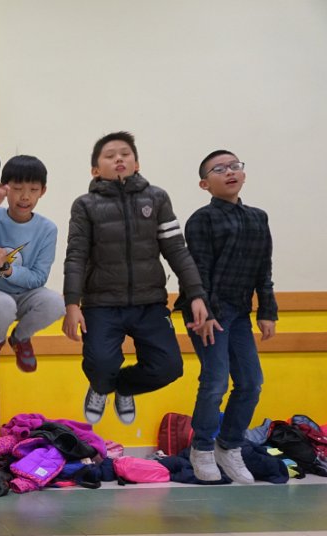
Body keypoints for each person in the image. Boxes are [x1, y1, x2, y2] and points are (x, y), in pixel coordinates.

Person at [63, 131, 210, 426]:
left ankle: (125, 388)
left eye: (125, 154)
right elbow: (76, 255)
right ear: (95, 170)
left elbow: (176, 249)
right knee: (100, 368)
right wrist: (72, 304)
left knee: (169, 367)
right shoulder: (85, 205)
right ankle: (101, 387)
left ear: (137, 163)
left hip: (149, 302)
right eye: (110, 155)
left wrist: (196, 294)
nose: (119, 158)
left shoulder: (156, 198)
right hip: (101, 304)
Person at [176, 150, 276, 484]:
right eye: (219, 169)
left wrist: (267, 311)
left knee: (251, 382)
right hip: (206, 312)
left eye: (235, 166)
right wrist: (205, 313)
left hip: (240, 312)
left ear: (243, 174)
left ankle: (229, 446)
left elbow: (264, 270)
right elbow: (198, 272)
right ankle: (202, 447)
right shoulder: (202, 220)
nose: (229, 172)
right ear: (205, 184)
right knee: (216, 380)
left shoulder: (258, 218)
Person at [0, 155, 64, 372]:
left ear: (43, 191)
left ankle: (20, 338)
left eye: (33, 190)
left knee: (57, 303)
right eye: (17, 188)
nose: (25, 196)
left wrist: (8, 269)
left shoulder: (47, 229)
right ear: (4, 188)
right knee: (4, 306)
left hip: (27, 293)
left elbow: (39, 277)